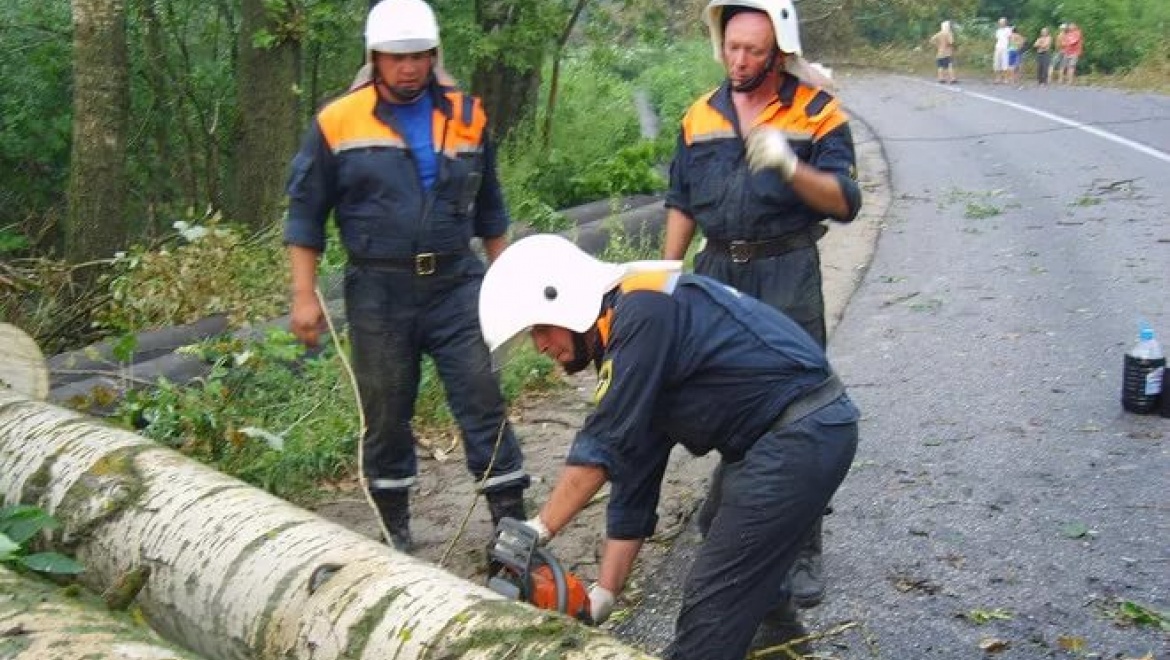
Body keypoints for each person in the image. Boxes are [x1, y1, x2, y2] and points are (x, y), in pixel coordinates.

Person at [479, 234, 860, 659]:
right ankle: (778, 642)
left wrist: (539, 528)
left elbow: (602, 445)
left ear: (564, 298)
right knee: (722, 527)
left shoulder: (641, 309)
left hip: (802, 431)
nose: (542, 346)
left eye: (541, 329)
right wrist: (605, 593)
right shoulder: (628, 333)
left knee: (713, 600)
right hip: (782, 435)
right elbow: (633, 472)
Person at [283, 0, 529, 553]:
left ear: (434, 54)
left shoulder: (468, 114)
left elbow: (491, 207)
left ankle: (512, 530)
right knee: (386, 411)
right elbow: (304, 215)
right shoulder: (337, 121)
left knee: (481, 396)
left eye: (419, 56)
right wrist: (304, 295)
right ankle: (395, 533)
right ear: (374, 58)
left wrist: (507, 278)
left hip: (456, 284)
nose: (409, 68)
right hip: (378, 292)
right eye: (397, 58)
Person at [661, 0, 863, 613]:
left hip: (785, 270)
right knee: (724, 401)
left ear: (779, 51)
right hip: (718, 270)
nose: (741, 60)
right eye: (733, 47)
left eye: (754, 49)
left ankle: (803, 548)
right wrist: (668, 275)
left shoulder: (817, 112)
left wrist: (788, 163)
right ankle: (737, 526)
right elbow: (681, 199)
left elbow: (845, 199)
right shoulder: (700, 117)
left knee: (795, 412)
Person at [993, 17, 1012, 83]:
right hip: (998, 47)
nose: (1000, 23)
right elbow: (997, 39)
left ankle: (1005, 79)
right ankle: (997, 78)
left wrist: (1008, 47)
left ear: (1005, 23)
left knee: (1005, 63)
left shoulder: (1008, 29)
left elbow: (1010, 39)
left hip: (1005, 48)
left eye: (1002, 22)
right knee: (996, 63)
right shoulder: (998, 31)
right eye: (1000, 22)